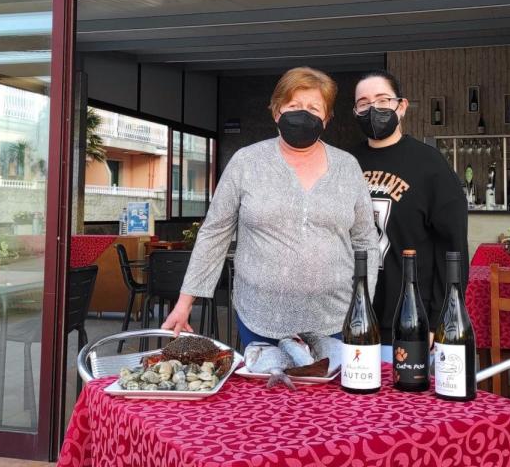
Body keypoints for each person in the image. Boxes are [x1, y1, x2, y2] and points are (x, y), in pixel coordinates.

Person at [162, 67, 379, 346]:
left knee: (326, 391)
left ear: (327, 118)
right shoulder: (246, 162)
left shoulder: (347, 167)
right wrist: (184, 303)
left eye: (314, 107)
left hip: (336, 318)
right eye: (294, 105)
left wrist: (365, 302)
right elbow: (214, 232)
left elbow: (366, 240)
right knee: (265, 390)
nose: (304, 114)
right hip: (259, 316)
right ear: (276, 111)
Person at [349, 69, 469, 361]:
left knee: (406, 406)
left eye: (382, 100)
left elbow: (452, 246)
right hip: (353, 319)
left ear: (401, 107)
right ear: (355, 112)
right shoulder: (346, 164)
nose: (372, 109)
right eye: (363, 103)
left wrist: (439, 317)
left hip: (410, 320)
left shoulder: (430, 165)